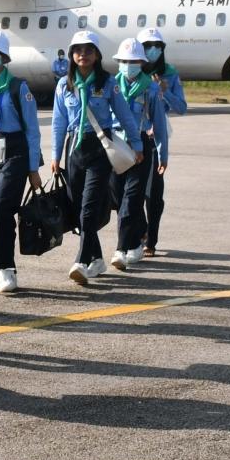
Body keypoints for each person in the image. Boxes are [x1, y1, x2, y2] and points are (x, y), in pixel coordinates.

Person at [50, 31, 142, 287]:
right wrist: (55, 155)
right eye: (78, 50)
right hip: (74, 149)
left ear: (97, 55)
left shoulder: (108, 82)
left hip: (100, 149)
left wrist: (136, 145)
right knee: (79, 207)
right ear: (71, 55)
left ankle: (81, 260)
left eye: (88, 50)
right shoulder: (64, 84)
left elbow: (125, 116)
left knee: (89, 206)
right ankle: (97, 258)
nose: (83, 54)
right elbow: (58, 123)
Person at [0, 31, 43, 294]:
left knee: (2, 207)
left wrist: (33, 168)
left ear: (3, 57)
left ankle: (6, 267)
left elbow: (32, 130)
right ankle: (3, 263)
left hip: (14, 150)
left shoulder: (18, 87)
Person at [107, 38, 170, 272]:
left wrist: (163, 155)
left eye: (133, 61)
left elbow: (159, 124)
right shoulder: (111, 85)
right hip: (115, 145)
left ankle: (121, 249)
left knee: (131, 199)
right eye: (124, 61)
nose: (128, 65)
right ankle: (136, 238)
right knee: (117, 198)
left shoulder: (150, 89)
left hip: (140, 147)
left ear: (141, 63)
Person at [136, 27, 187, 257]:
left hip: (156, 135)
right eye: (147, 46)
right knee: (127, 190)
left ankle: (151, 239)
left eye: (157, 46)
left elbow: (182, 108)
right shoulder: (132, 72)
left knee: (153, 191)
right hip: (134, 134)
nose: (153, 50)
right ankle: (139, 230)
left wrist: (165, 91)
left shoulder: (170, 74)